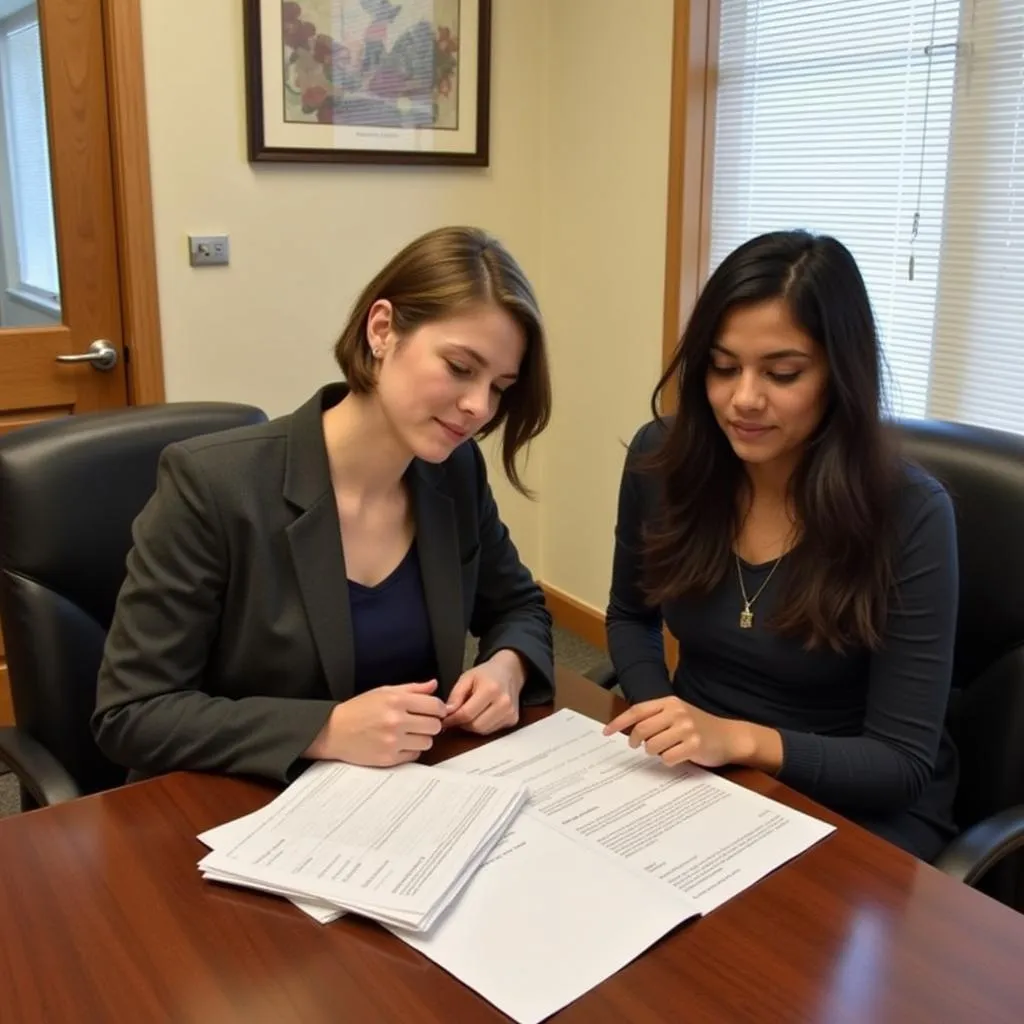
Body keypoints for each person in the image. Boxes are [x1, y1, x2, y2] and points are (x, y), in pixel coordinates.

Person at [92, 225, 554, 783]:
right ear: (382, 329)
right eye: (460, 367)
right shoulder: (213, 484)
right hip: (237, 804)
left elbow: (519, 605)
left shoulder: (453, 472)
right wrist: (325, 729)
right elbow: (132, 714)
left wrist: (508, 666)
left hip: (405, 798)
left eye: (500, 386)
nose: (478, 406)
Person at [602, 230, 959, 861]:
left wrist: (737, 740)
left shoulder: (910, 514)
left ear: (839, 374)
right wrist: (662, 711)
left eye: (782, 372)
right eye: (722, 366)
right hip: (704, 771)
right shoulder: (663, 461)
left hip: (852, 801)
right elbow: (631, 615)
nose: (743, 399)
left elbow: (900, 763)